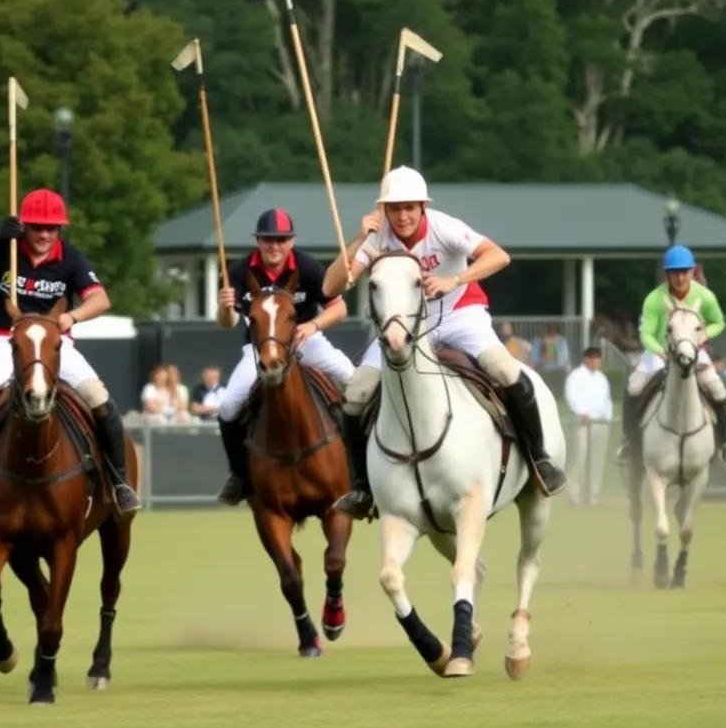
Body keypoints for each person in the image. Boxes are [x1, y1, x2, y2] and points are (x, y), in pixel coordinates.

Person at [323, 165, 567, 519]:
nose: (403, 215)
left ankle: (539, 458)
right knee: (356, 394)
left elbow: (499, 256)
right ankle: (361, 487)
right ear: (385, 210)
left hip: (458, 315)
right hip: (402, 325)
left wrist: (455, 279)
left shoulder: (444, 226)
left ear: (423, 206)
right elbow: (330, 288)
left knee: (506, 371)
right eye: (395, 208)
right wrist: (359, 239)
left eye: (410, 207)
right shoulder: (377, 237)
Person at [0, 188, 139, 523]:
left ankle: (119, 484)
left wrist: (72, 317)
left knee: (100, 399)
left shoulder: (70, 258)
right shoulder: (3, 249)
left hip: (56, 344)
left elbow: (100, 299)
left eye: (52, 228)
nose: (44, 234)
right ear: (24, 226)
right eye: (37, 226)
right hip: (4, 341)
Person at [214, 208, 354, 505]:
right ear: (258, 241)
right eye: (267, 240)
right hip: (260, 348)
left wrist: (313, 325)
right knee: (227, 406)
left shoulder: (308, 266)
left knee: (354, 381)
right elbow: (228, 324)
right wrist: (224, 308)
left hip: (307, 340)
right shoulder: (238, 271)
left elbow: (339, 308)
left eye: (280, 239)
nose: (274, 246)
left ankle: (361, 467)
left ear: (291, 241)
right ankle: (239, 475)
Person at [615, 244, 726, 469]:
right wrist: (660, 352)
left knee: (718, 389)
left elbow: (718, 322)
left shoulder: (704, 296)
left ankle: (725, 444)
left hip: (693, 351)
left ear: (692, 272)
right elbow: (646, 333)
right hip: (659, 352)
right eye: (675, 272)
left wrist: (702, 337)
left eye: (685, 271)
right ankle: (628, 442)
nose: (680, 277)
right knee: (634, 387)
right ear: (667, 274)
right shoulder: (654, 299)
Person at [563, 346, 612, 505]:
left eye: (598, 358)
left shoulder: (601, 378)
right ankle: (573, 492)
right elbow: (571, 396)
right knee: (580, 457)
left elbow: (607, 400)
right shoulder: (576, 376)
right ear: (586, 359)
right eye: (593, 358)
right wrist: (580, 412)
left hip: (600, 422)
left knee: (597, 459)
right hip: (583, 422)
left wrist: (607, 417)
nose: (596, 361)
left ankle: (592, 493)